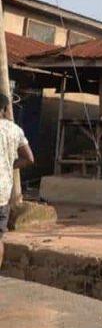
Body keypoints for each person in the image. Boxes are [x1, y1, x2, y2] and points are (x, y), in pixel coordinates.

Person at [0, 93, 34, 239]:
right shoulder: (15, 130)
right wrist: (8, 165)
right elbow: (29, 159)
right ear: (5, 109)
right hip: (3, 193)